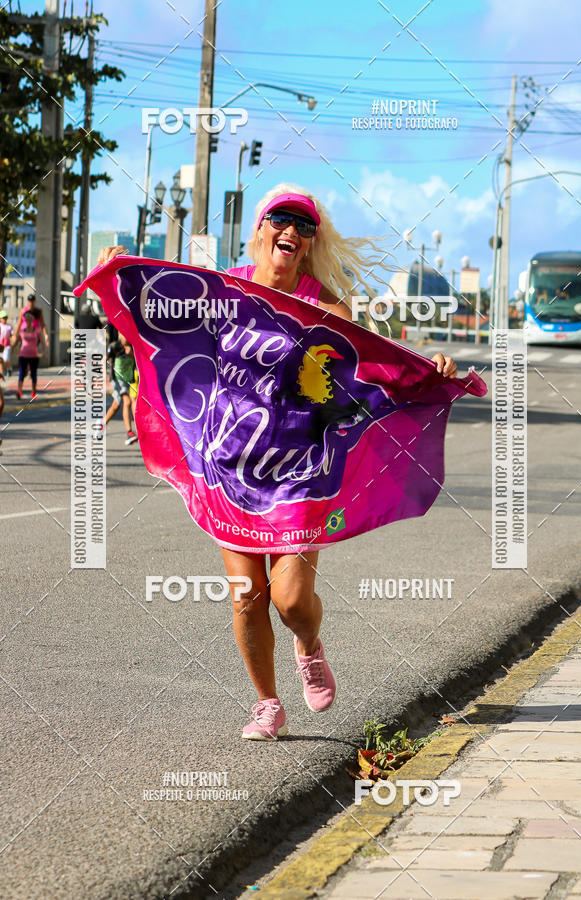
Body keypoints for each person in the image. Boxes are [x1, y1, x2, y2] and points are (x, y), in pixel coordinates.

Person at [97, 185, 457, 741]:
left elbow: (369, 369)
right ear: (260, 229)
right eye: (280, 219)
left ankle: (308, 643)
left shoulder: (326, 308)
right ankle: (267, 704)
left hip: (299, 471)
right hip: (229, 467)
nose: (291, 230)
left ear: (310, 242)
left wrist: (426, 371)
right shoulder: (223, 290)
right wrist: (120, 273)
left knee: (289, 601)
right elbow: (161, 317)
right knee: (247, 597)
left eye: (304, 225)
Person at [99, 332, 138, 445]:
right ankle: (129, 433)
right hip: (117, 380)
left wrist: (132, 354)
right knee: (126, 401)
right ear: (120, 334)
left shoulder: (133, 347)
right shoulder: (115, 346)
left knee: (116, 405)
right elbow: (104, 359)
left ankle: (102, 424)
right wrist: (104, 375)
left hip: (129, 379)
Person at [12, 306, 44, 399]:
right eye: (26, 318)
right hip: (23, 354)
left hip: (33, 355)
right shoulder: (22, 330)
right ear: (25, 320)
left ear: (32, 319)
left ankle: (33, 392)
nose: (28, 319)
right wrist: (13, 347)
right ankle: (19, 391)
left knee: (33, 374)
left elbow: (42, 341)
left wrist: (44, 351)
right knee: (21, 373)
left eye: (30, 318)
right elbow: (17, 340)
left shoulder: (37, 330)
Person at [0, 310, 13, 379]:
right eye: (3, 318)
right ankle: (1, 374)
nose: (5, 319)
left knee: (5, 359)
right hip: (0, 346)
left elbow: (12, 335)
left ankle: (9, 368)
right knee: (0, 360)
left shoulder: (9, 326)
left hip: (7, 345)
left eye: (5, 317)